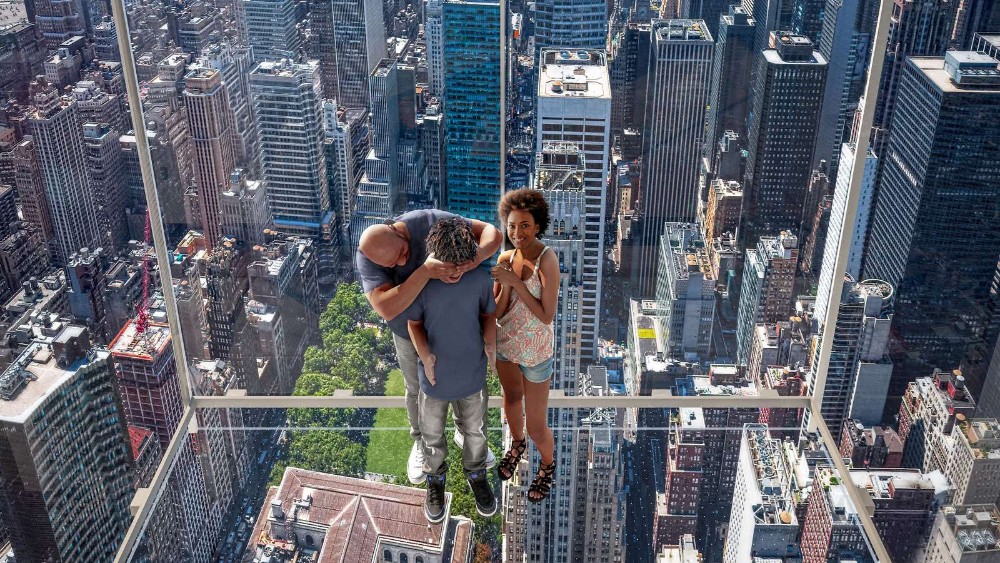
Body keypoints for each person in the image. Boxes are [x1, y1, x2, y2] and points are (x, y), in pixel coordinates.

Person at [356, 210, 501, 485]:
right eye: (393, 264)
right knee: (416, 389)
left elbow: (493, 234)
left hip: (455, 320)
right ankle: (421, 443)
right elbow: (385, 308)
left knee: (467, 380)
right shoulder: (368, 256)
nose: (402, 261)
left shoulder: (427, 221)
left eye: (403, 252)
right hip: (408, 330)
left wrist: (473, 260)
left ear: (397, 230)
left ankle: (465, 432)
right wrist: (425, 271)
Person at [407, 218, 498, 522]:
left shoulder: (480, 280)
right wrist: (425, 355)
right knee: (432, 436)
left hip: (472, 372)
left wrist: (490, 342)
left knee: (476, 431)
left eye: (462, 263)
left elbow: (487, 313)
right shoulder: (423, 285)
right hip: (433, 379)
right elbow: (414, 324)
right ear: (434, 258)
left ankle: (476, 475)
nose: (457, 270)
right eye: (449, 264)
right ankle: (435, 481)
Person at [491, 189, 558, 503]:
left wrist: (517, 283)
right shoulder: (505, 258)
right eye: (512, 225)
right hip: (507, 343)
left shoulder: (548, 259)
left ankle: (547, 465)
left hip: (536, 350)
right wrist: (505, 285)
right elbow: (499, 310)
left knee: (536, 425)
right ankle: (516, 446)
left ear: (538, 225)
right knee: (511, 402)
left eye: (525, 225)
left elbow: (546, 315)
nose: (517, 232)